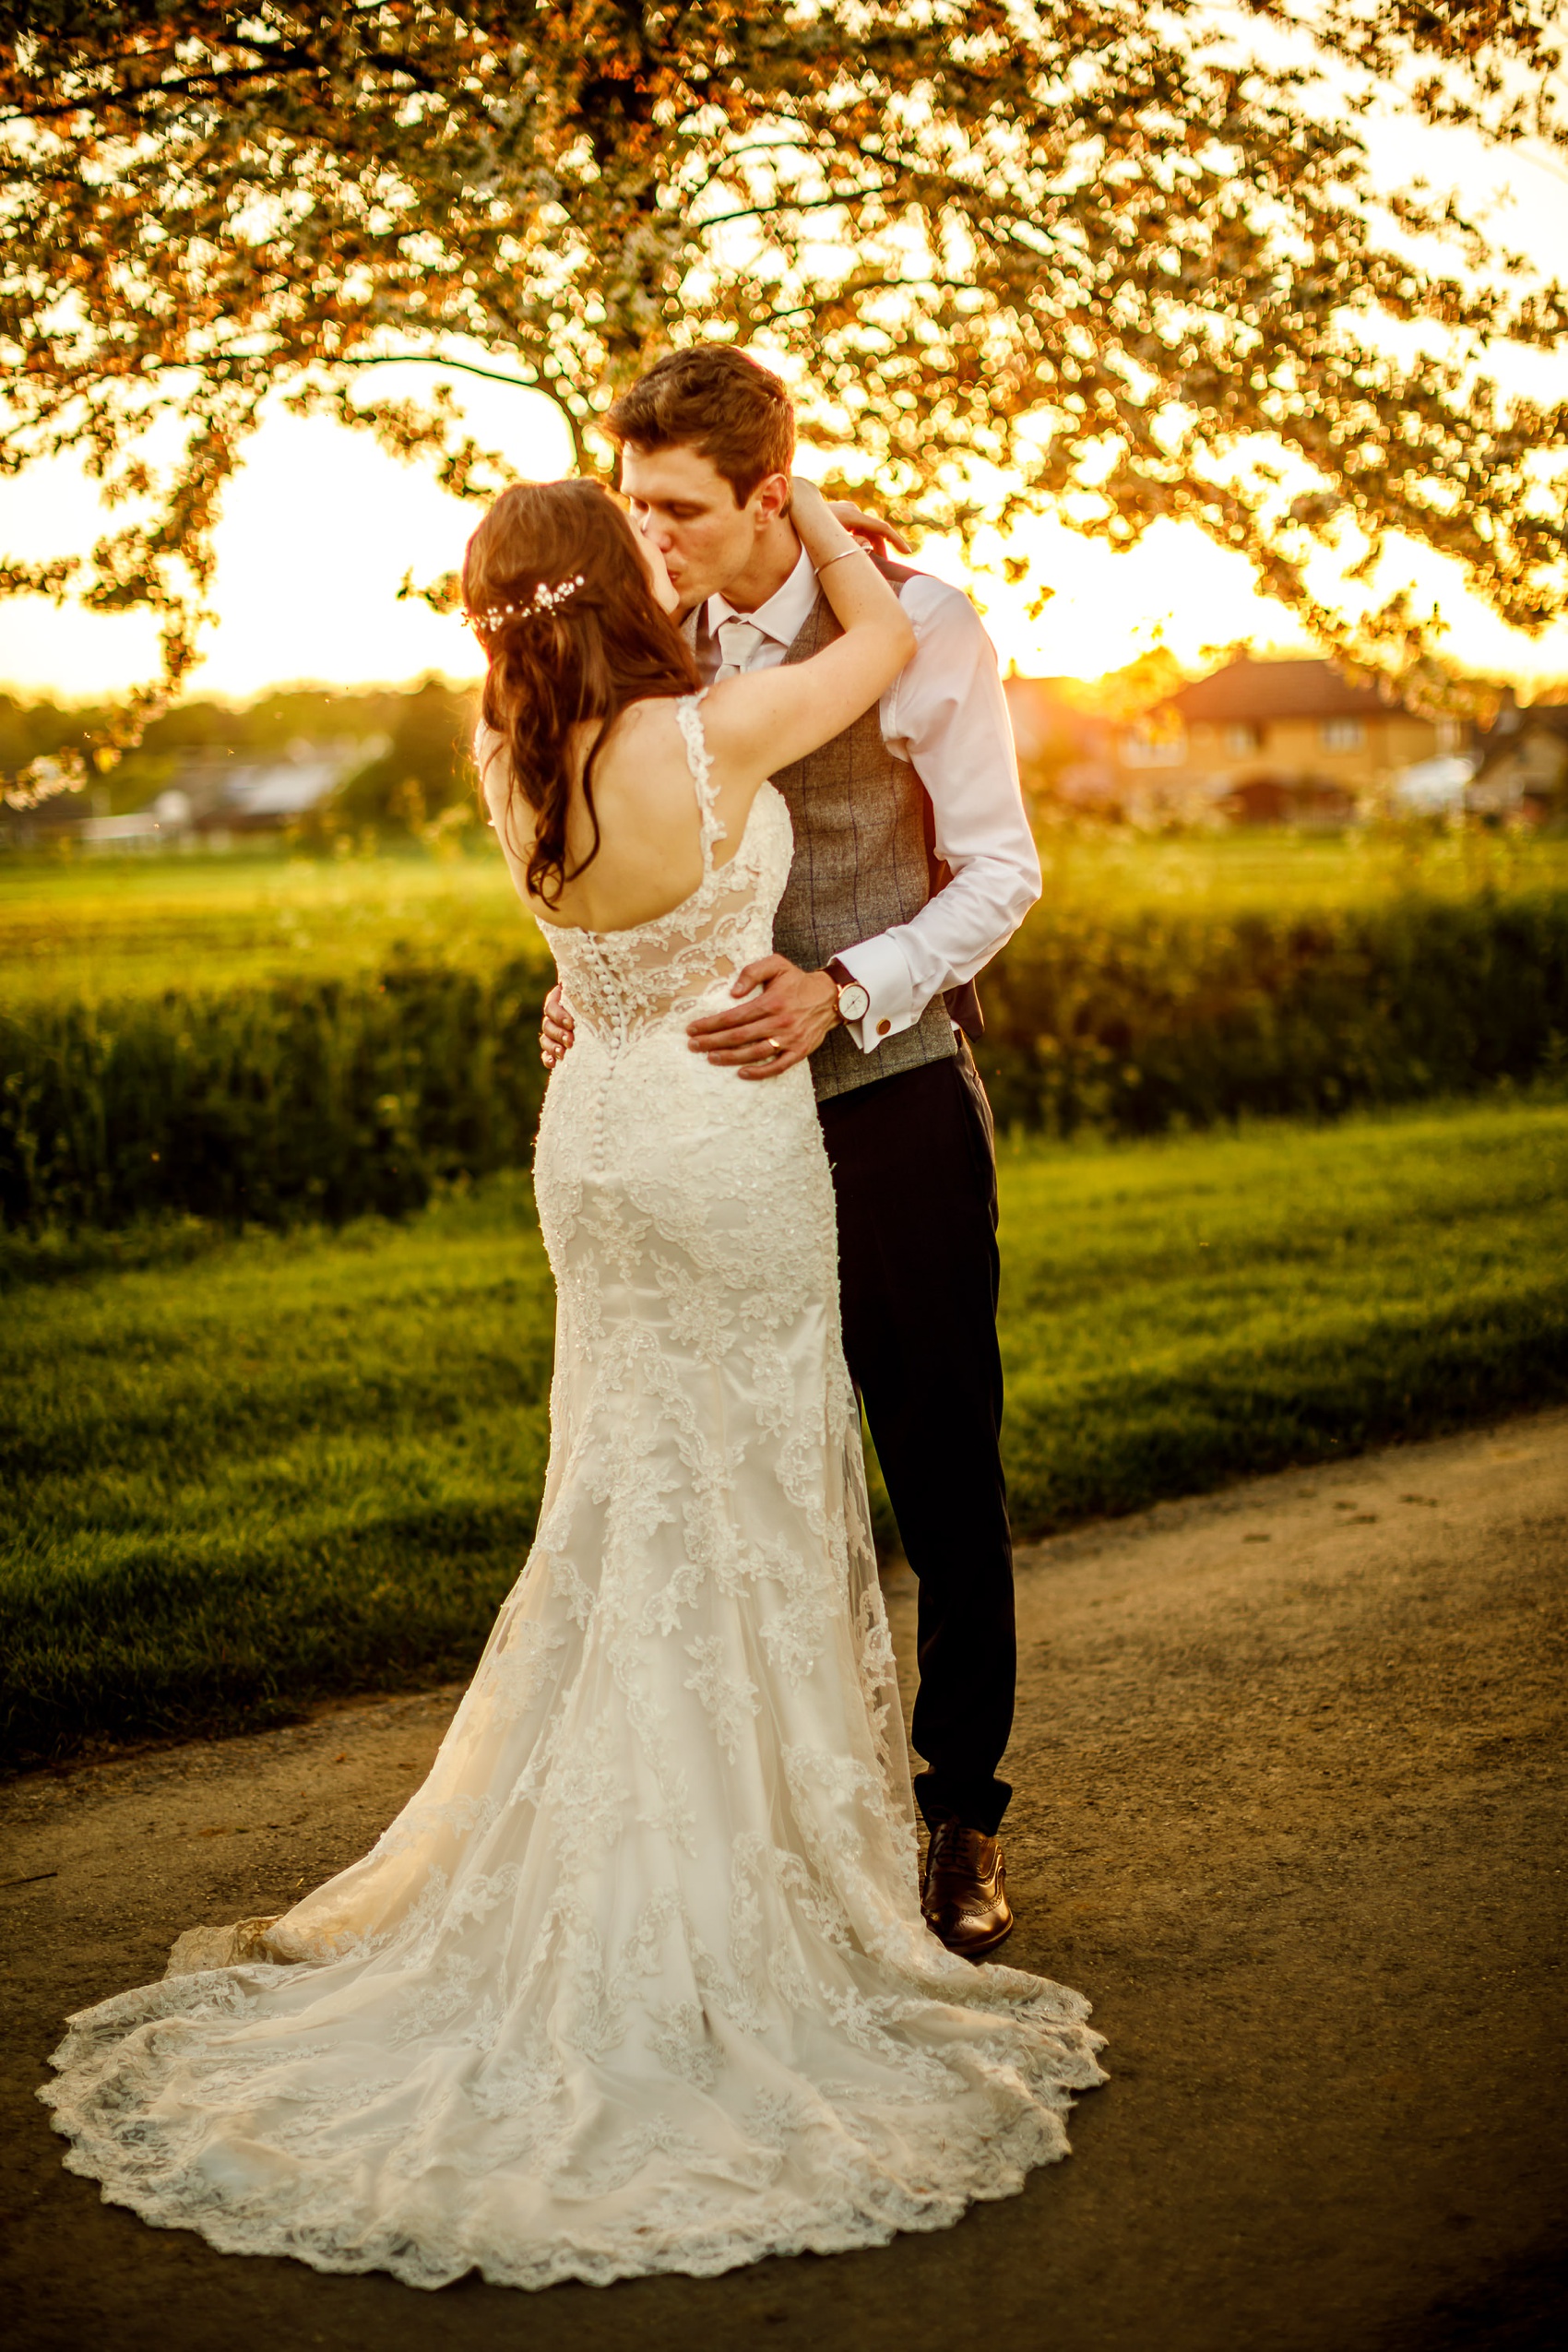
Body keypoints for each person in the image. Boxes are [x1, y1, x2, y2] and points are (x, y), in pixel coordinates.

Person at [42, 472, 1103, 2293]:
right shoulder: (708, 729)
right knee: (754, 1491)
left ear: (488, 614)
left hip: (597, 1127)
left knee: (623, 1493)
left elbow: (597, 936)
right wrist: (836, 528)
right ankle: (751, 1896)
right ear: (623, 576)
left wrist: (596, 986)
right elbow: (867, 644)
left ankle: (777, 1829)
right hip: (718, 1136)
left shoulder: (499, 741)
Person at [543, 347, 1039, 1956]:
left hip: (886, 1097)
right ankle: (773, 1818)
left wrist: (846, 990)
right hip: (703, 1133)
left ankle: (961, 1808)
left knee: (937, 1460)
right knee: (735, 1461)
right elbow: (611, 848)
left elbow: (1000, 875)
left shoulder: (921, 622)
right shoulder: (633, 637)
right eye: (635, 505)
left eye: (681, 508)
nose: (654, 539)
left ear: (773, 492)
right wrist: (583, 998)